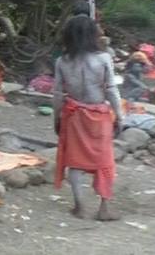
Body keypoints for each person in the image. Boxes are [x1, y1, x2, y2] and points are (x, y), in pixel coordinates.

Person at [53, 15, 123, 221]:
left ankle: (79, 207)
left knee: (74, 162)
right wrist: (120, 115)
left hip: (73, 116)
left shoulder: (61, 62)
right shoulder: (103, 59)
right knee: (104, 162)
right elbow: (111, 89)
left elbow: (57, 94)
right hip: (99, 115)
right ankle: (104, 208)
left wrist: (56, 119)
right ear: (92, 35)